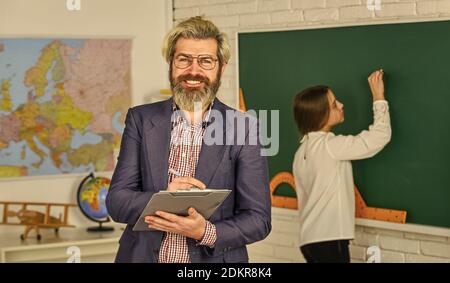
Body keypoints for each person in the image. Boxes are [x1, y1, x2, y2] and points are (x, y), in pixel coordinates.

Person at [106, 16, 271, 263]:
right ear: (171, 63)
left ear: (221, 67)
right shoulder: (140, 119)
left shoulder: (243, 127)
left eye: (206, 61)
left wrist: (206, 232)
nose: (194, 71)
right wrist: (162, 197)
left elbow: (258, 219)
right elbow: (117, 202)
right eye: (184, 59)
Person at [292, 69, 391, 263]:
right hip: (329, 238)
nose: (341, 105)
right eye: (334, 104)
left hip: (310, 239)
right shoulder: (329, 145)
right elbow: (379, 137)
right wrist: (378, 97)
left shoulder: (302, 151)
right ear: (320, 115)